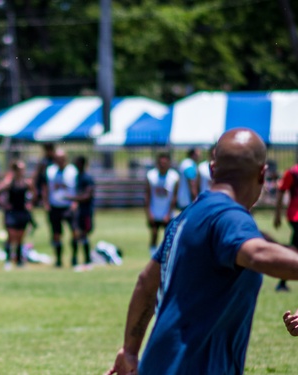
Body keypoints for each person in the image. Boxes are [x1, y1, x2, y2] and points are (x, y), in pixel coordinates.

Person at [105, 128, 298, 375]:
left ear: (211, 169)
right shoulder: (230, 217)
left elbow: (146, 283)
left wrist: (130, 351)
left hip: (159, 364)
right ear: (262, 174)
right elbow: (257, 254)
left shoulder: (186, 218)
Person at [43, 148, 77, 268]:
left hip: (68, 205)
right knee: (56, 234)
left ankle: (74, 257)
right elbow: (46, 187)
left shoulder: (73, 170)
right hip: (55, 206)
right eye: (57, 159)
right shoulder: (50, 171)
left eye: (61, 159)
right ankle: (58, 259)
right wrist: (46, 202)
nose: (59, 161)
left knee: (74, 232)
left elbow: (77, 187)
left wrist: (75, 202)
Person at [0, 160, 36, 270]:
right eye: (20, 169)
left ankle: (19, 260)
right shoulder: (9, 182)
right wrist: (4, 205)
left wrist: (30, 203)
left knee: (20, 237)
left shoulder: (27, 183)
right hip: (12, 212)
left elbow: (34, 194)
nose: (22, 171)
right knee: (11, 236)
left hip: (22, 212)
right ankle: (8, 260)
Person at [144, 153, 179, 254]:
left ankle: (167, 258)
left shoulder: (174, 177)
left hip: (167, 213)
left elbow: (174, 197)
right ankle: (153, 256)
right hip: (155, 211)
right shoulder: (151, 176)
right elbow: (147, 195)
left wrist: (168, 214)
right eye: (160, 163)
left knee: (169, 237)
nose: (162, 165)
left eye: (165, 163)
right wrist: (149, 213)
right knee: (154, 234)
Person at [273, 161, 298, 291]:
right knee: (293, 249)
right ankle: (282, 281)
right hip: (296, 215)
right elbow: (281, 191)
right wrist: (277, 214)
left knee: (294, 247)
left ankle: (282, 282)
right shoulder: (293, 172)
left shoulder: (292, 172)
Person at [66, 155, 95, 271]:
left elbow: (88, 195)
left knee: (84, 235)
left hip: (86, 212)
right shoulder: (77, 177)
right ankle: (74, 259)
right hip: (78, 211)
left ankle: (87, 260)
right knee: (75, 234)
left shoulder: (87, 178)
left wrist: (73, 199)